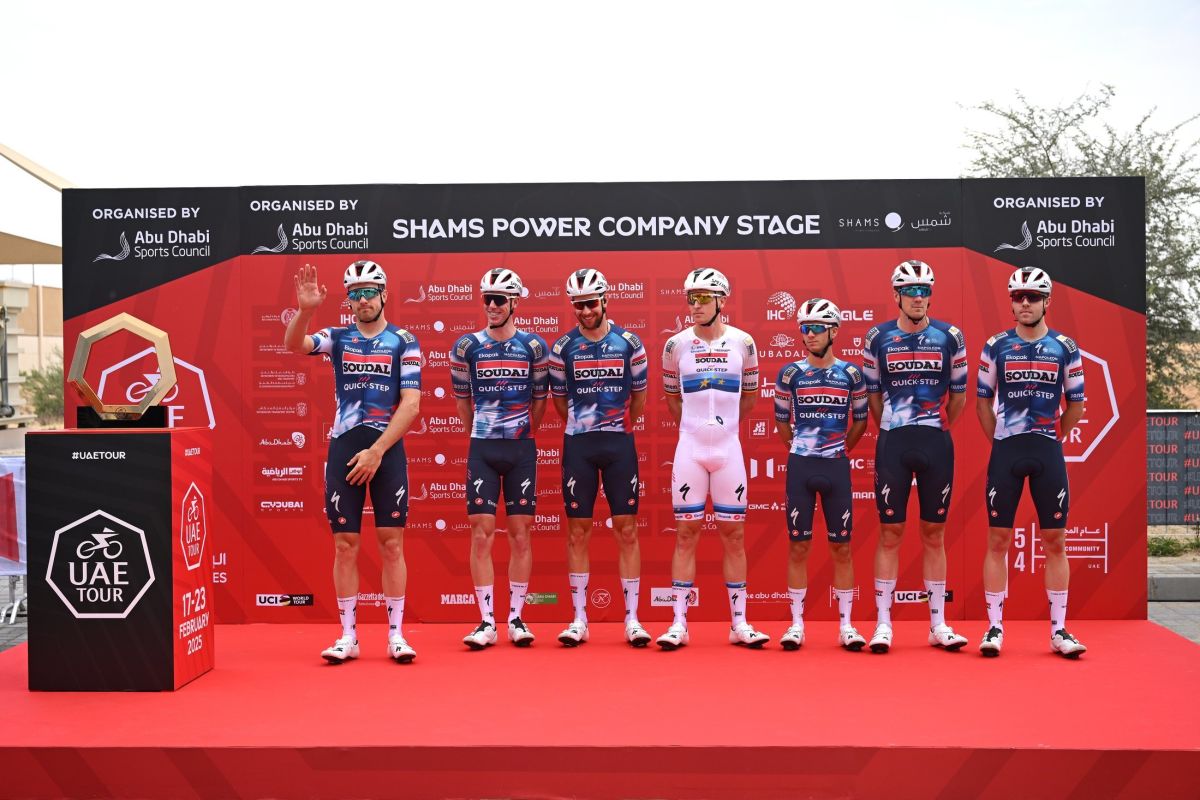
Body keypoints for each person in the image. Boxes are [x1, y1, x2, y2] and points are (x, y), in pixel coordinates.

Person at [284, 260, 422, 664]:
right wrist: (305, 311)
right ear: (349, 300)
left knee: (391, 544)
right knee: (345, 546)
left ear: (384, 295)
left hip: (386, 450)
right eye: (355, 294)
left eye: (370, 292)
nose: (363, 300)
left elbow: (411, 404)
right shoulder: (338, 337)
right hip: (345, 447)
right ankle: (348, 636)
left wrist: (377, 451)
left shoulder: (404, 341)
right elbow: (295, 345)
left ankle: (396, 635)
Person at [976, 267, 1087, 658]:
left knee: (1055, 541)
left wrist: (1052, 437)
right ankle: (994, 627)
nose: (1025, 303)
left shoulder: (1065, 347)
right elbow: (982, 403)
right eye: (1018, 296)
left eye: (1033, 297)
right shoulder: (996, 345)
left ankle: (1059, 631)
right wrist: (1001, 441)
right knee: (998, 540)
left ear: (1046, 301)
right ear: (1011, 302)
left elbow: (1076, 405)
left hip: (1046, 451)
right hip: (1006, 450)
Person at [657, 267, 770, 650]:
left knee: (734, 535)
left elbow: (749, 398)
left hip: (728, 448)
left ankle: (739, 623)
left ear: (722, 300)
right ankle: (678, 623)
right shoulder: (675, 345)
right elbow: (672, 399)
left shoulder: (744, 343)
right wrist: (696, 430)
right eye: (691, 297)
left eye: (704, 297)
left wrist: (724, 430)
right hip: (690, 447)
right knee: (686, 533)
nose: (695, 305)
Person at [861, 260, 970, 654]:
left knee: (934, 533)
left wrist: (935, 425)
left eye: (924, 291)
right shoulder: (877, 337)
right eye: (911, 291)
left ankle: (938, 623)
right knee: (890, 532)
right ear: (897, 295)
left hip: (935, 443)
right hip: (894, 442)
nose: (918, 297)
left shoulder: (950, 337)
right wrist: (893, 426)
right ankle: (883, 623)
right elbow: (873, 396)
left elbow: (958, 396)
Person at [547, 268, 652, 647]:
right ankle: (579, 618)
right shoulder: (562, 348)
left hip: (619, 444)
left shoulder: (630, 343)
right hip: (580, 446)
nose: (585, 311)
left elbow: (639, 397)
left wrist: (616, 424)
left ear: (605, 300)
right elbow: (560, 401)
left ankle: (633, 619)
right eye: (578, 305)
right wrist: (584, 426)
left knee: (627, 528)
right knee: (578, 531)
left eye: (591, 303)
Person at [450, 268, 549, 650]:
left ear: (514, 303)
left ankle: (517, 618)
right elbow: (463, 402)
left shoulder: (534, 347)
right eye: (486, 299)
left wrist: (523, 432)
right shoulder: (466, 347)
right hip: (483, 448)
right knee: (481, 533)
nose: (491, 306)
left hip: (521, 448)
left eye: (499, 300)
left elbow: (539, 401)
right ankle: (486, 620)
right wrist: (481, 432)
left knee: (521, 534)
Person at [774, 299, 869, 650]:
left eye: (816, 328)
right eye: (805, 328)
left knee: (841, 547)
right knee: (798, 546)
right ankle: (796, 624)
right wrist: (801, 448)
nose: (809, 334)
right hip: (801, 466)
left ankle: (846, 626)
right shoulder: (790, 373)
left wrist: (838, 450)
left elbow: (860, 421)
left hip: (836, 466)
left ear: (834, 331)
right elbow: (781, 421)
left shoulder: (851, 374)